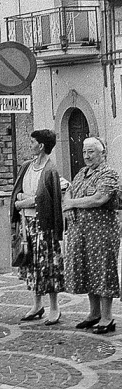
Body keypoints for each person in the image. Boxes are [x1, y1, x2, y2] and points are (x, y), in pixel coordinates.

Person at [63, 136, 120, 334]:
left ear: (102, 153)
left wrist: (71, 204)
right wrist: (68, 204)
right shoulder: (82, 173)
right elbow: (69, 191)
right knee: (88, 270)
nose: (86, 156)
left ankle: (107, 318)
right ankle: (93, 313)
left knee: (103, 271)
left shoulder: (109, 174)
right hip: (81, 231)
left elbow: (99, 198)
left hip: (102, 232)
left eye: (91, 152)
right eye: (84, 152)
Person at [11, 129, 65, 325]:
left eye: (32, 142)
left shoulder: (50, 170)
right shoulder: (26, 166)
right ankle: (36, 304)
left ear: (41, 146)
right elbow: (18, 193)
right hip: (28, 224)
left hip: (44, 226)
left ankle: (54, 307)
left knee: (47, 265)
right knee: (31, 264)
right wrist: (28, 200)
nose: (30, 145)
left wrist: (25, 202)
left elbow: (47, 200)